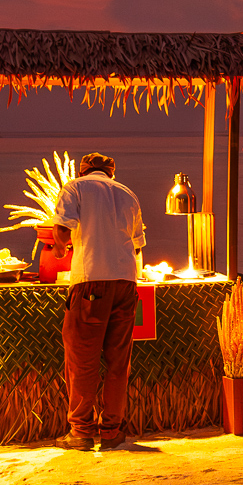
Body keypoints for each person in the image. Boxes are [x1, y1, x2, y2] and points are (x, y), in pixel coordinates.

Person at [51, 152, 147, 451]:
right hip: (126, 282)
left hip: (91, 280)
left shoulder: (75, 187)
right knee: (118, 360)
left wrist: (58, 249)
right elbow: (138, 244)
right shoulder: (128, 193)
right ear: (111, 172)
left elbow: (62, 228)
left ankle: (80, 431)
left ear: (83, 169)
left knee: (82, 358)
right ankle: (111, 431)